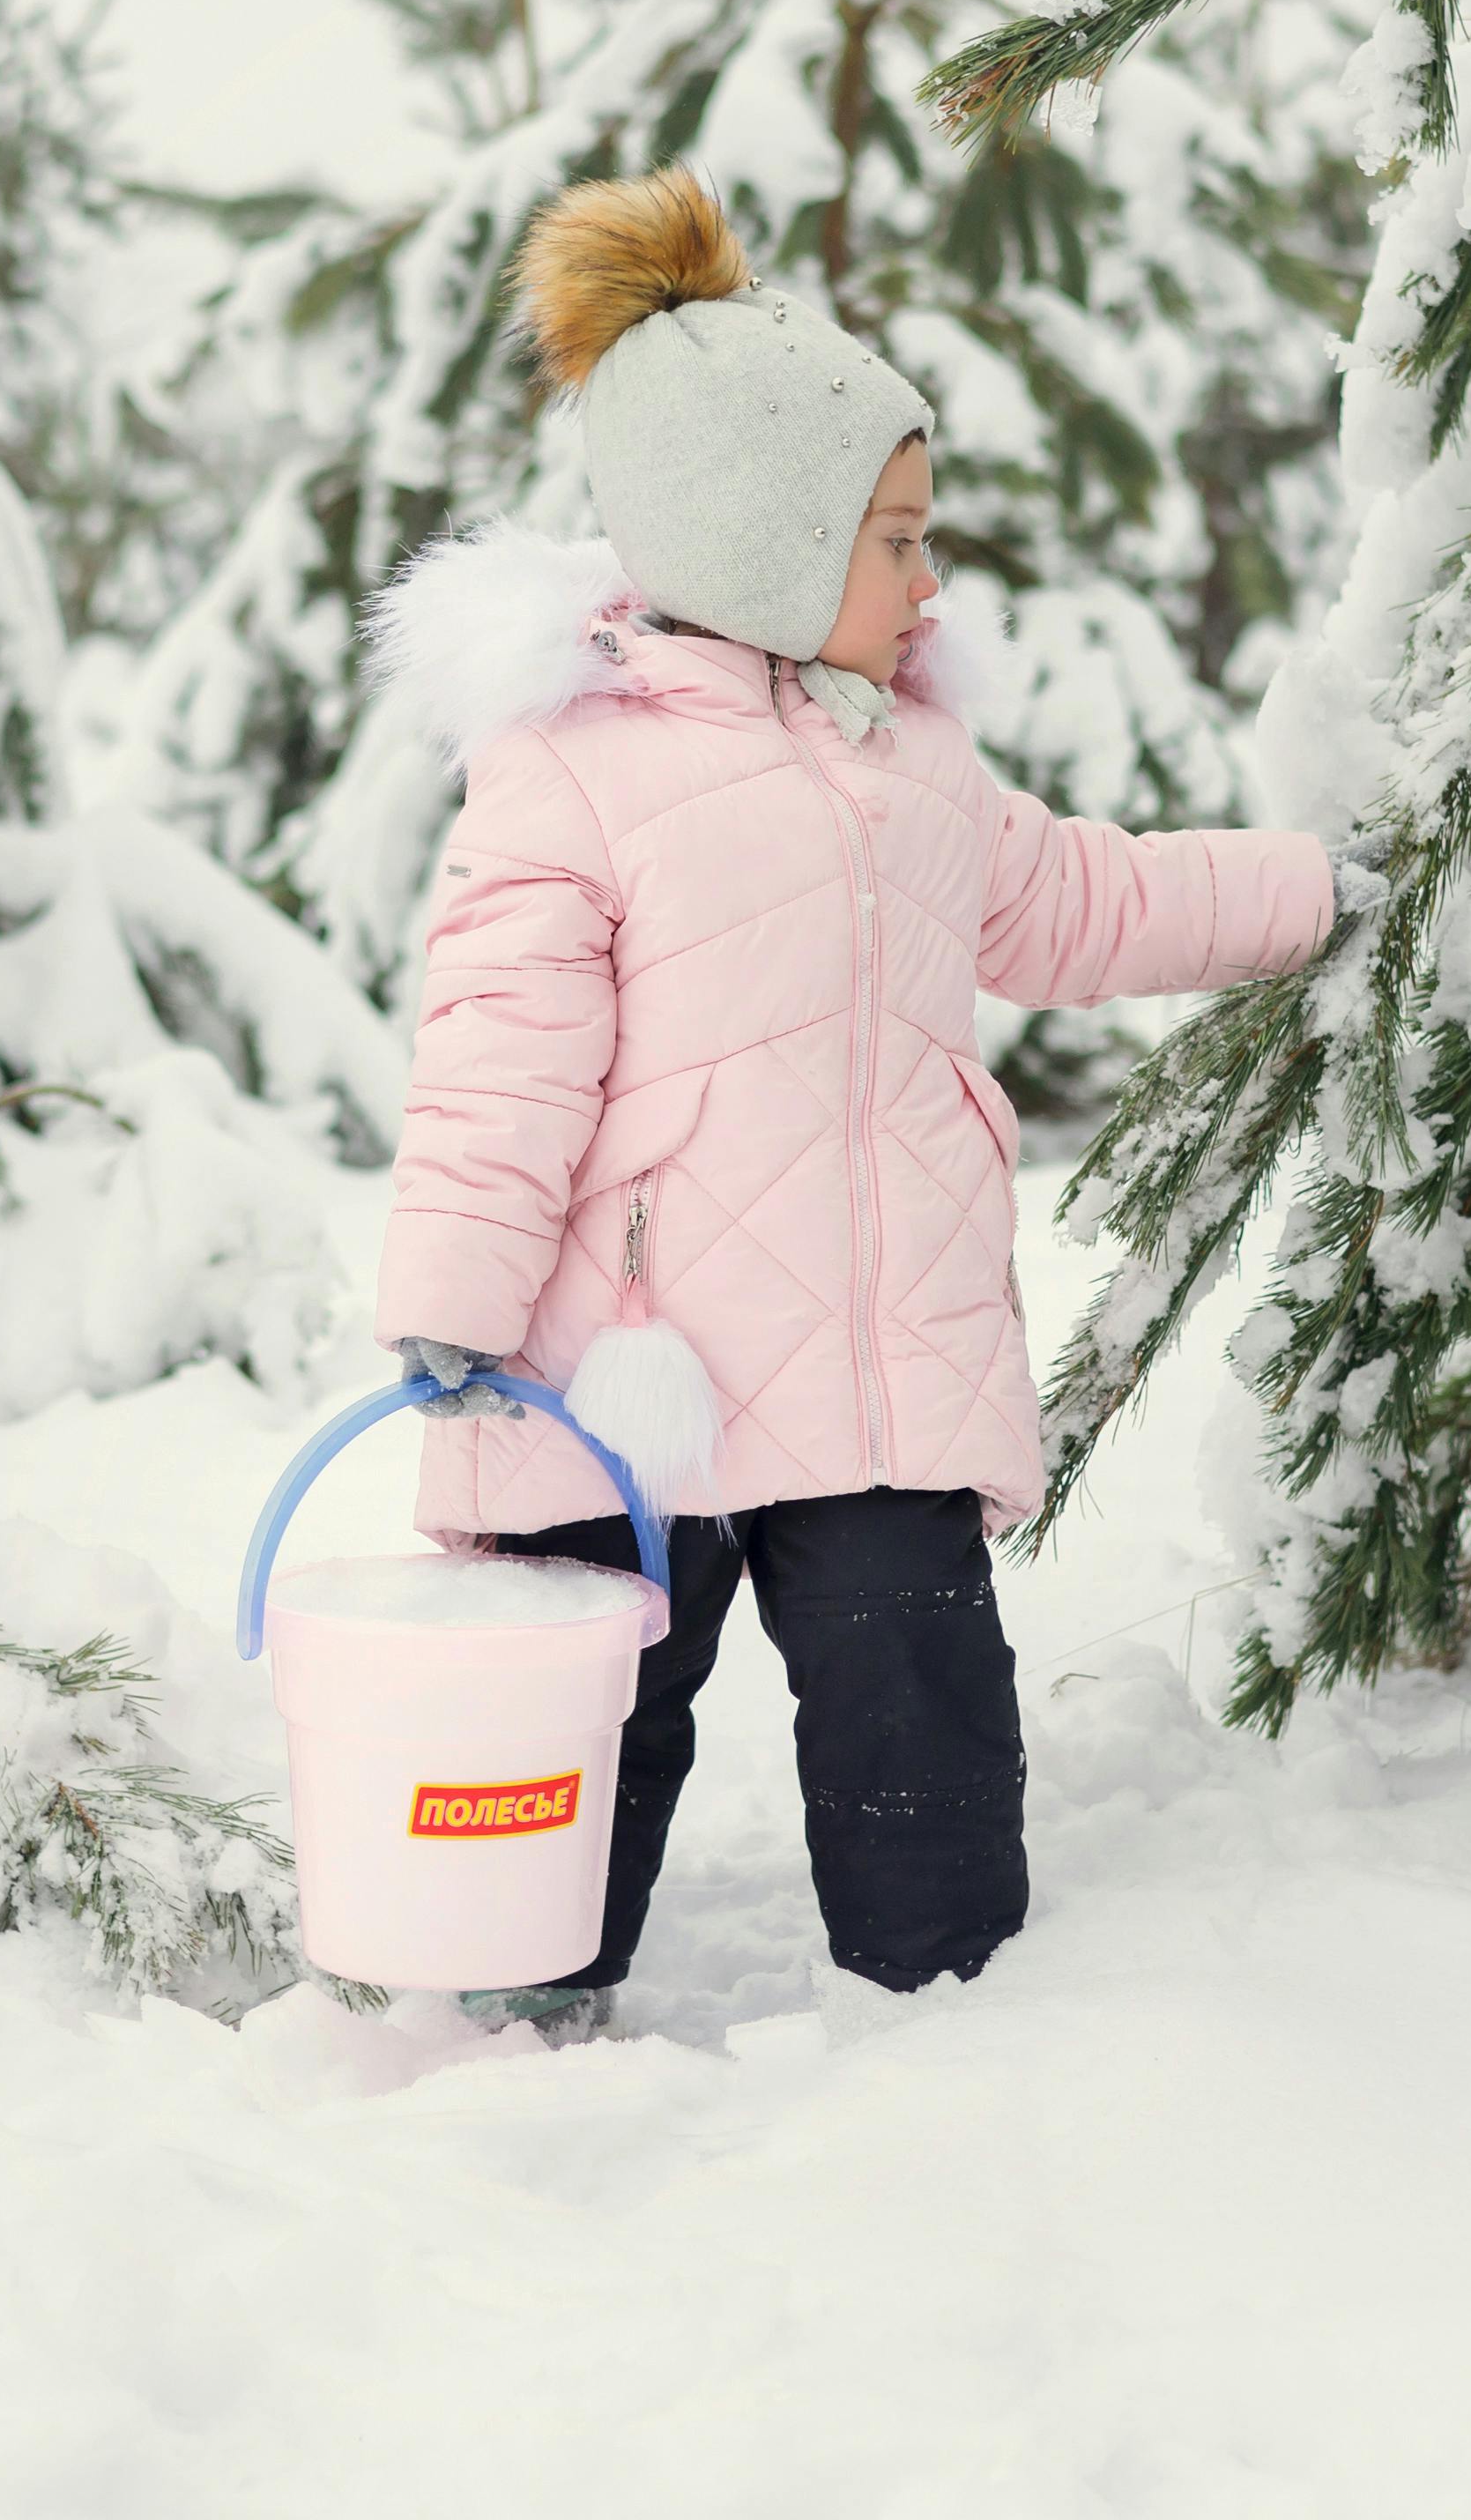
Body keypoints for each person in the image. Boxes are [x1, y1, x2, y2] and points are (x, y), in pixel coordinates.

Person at [365, 168, 1340, 2034]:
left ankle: (947, 2016)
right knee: (594, 1709)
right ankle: (509, 2011)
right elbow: (499, 1048)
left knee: (922, 1707)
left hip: (874, 1369)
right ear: (761, 543)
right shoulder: (574, 778)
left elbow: (1086, 901)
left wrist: (1308, 889)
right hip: (622, 1368)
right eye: (895, 539)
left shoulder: (919, 771)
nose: (929, 578)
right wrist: (457, 1300)